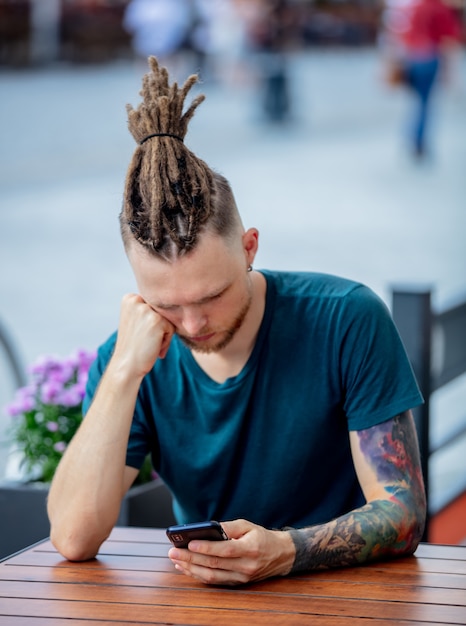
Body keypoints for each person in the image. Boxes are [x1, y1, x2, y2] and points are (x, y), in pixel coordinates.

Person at [48, 57, 426, 586]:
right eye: (167, 304)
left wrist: (288, 550)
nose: (193, 322)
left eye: (212, 294)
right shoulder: (128, 358)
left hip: (350, 594)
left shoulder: (347, 318)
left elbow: (403, 514)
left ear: (249, 247)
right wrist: (121, 376)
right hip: (206, 602)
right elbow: (72, 537)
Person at [381, 0, 462, 158]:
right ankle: (419, 142)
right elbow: (450, 36)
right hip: (429, 58)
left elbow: (398, 32)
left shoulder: (414, 7)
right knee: (425, 102)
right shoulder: (439, 9)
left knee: (417, 101)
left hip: (412, 57)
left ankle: (411, 136)